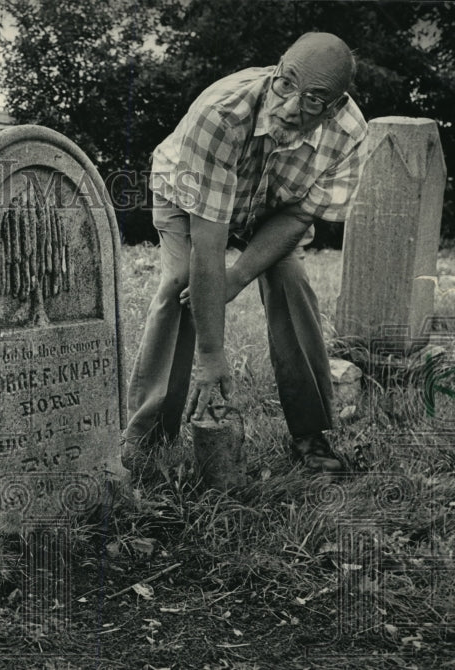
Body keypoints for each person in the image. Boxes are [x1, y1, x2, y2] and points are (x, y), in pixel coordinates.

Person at [123, 32, 367, 473]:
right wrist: (212, 356)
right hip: (189, 196)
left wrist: (238, 278)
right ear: (277, 70)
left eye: (313, 100)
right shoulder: (222, 113)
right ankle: (147, 438)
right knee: (182, 282)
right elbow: (209, 240)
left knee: (292, 281)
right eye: (286, 84)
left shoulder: (349, 134)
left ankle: (311, 435)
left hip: (273, 207)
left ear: (333, 107)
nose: (291, 107)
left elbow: (297, 218)